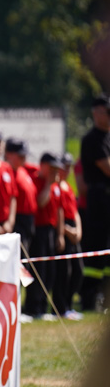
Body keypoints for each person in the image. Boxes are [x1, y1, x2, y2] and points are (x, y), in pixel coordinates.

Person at [22, 153, 65, 320]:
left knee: (50, 271)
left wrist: (59, 234)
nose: (55, 172)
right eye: (52, 168)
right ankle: (32, 306)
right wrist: (48, 183)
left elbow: (59, 211)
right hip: (38, 230)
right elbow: (41, 202)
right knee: (38, 270)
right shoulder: (38, 181)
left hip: (50, 230)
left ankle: (42, 306)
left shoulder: (56, 185)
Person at [79, 94, 110, 312]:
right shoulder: (92, 139)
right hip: (99, 199)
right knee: (97, 249)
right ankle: (89, 298)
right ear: (96, 113)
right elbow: (107, 167)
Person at [54, 153, 84, 321]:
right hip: (64, 231)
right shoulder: (56, 187)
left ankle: (69, 304)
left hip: (73, 231)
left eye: (69, 167)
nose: (67, 170)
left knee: (78, 271)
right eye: (64, 166)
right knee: (64, 272)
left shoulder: (68, 187)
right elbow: (57, 213)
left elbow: (75, 212)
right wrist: (66, 231)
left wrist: (78, 230)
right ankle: (60, 307)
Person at [5, 138, 38, 254]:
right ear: (9, 155)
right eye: (20, 155)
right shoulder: (7, 172)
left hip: (29, 220)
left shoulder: (23, 170)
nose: (24, 158)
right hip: (18, 219)